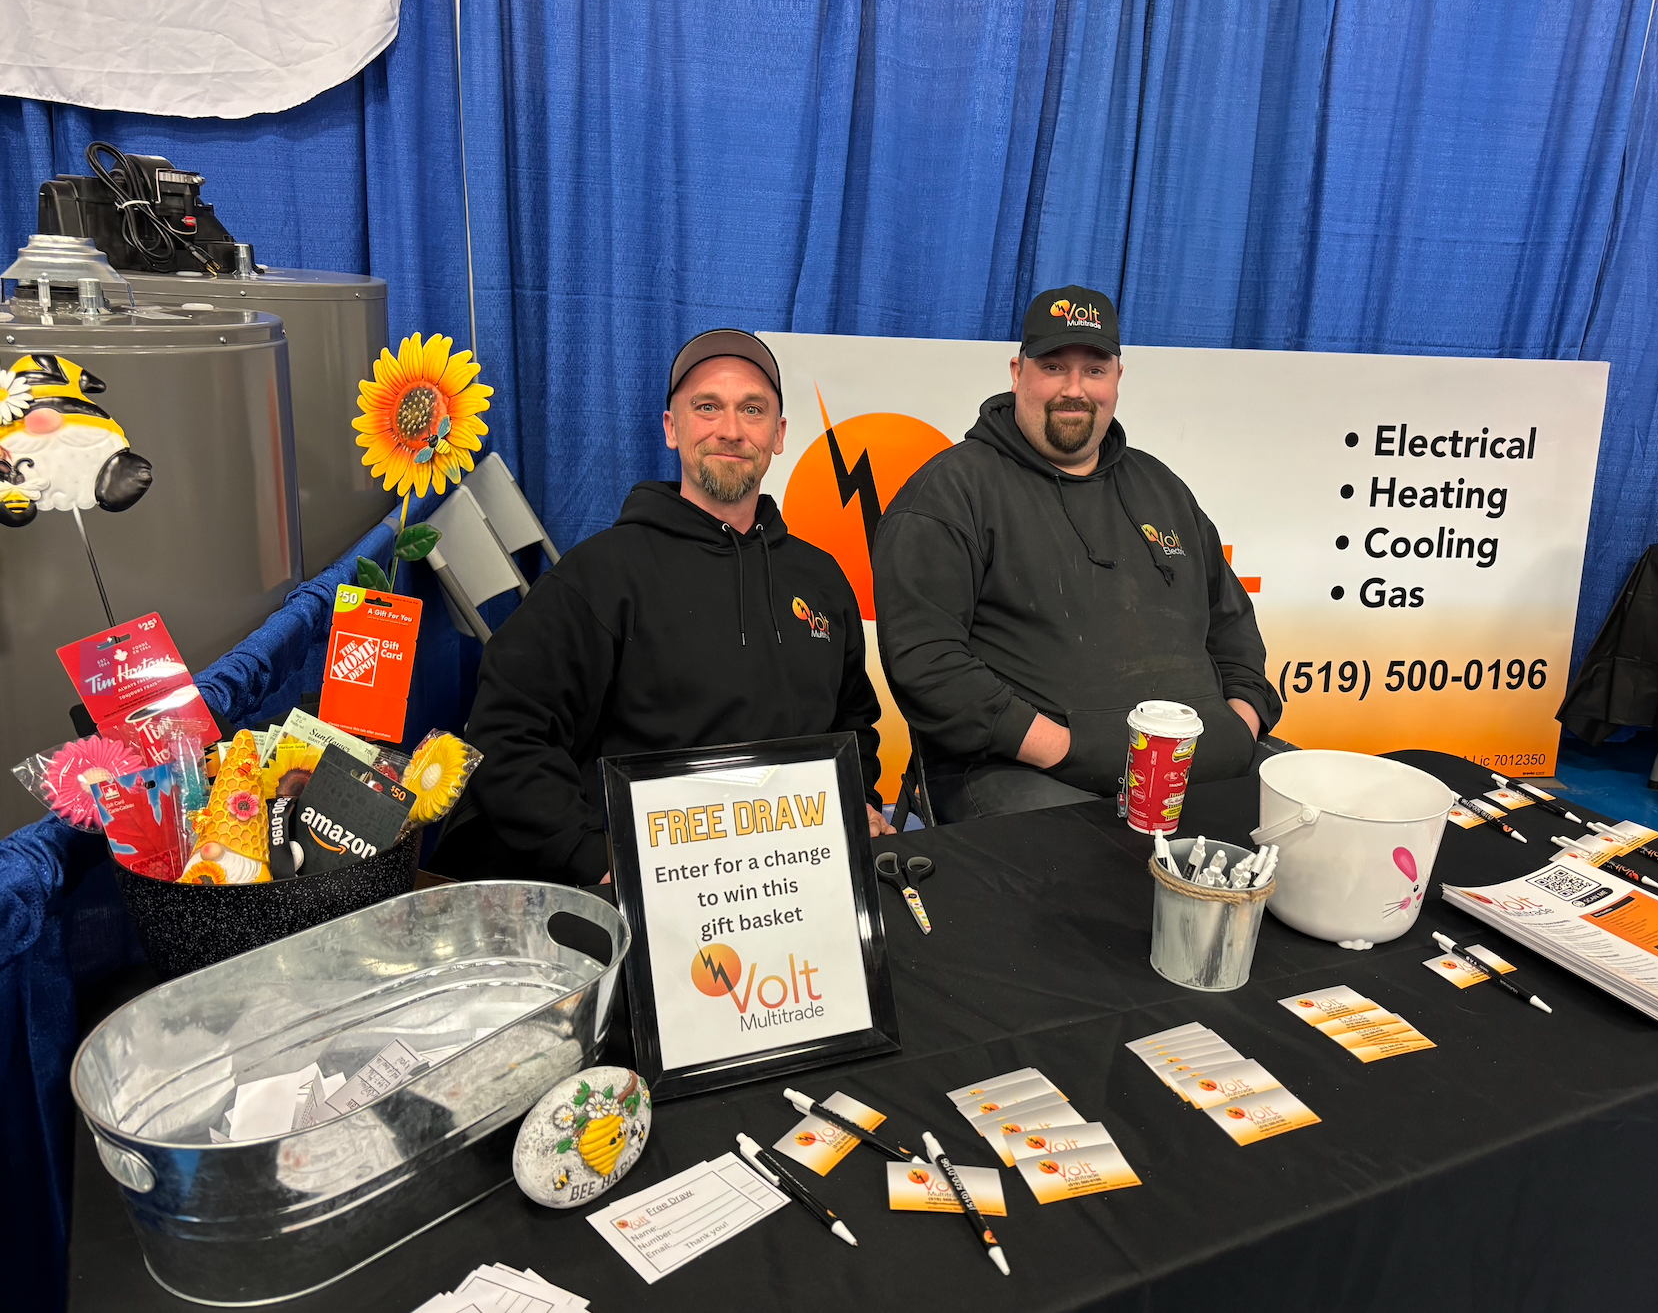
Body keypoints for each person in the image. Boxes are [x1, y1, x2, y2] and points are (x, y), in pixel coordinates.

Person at [432, 329, 890, 886]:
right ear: (672, 428)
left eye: (753, 409)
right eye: (707, 407)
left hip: (794, 877)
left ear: (779, 434)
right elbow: (505, 731)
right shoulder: (600, 576)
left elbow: (854, 720)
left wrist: (854, 797)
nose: (731, 429)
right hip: (660, 889)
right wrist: (593, 856)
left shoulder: (820, 579)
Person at [873, 285, 1283, 822]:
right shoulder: (951, 492)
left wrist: (1239, 724)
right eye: (1053, 367)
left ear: (1117, 378)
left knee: (1328, 818)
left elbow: (1232, 627)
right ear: (1018, 373)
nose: (1074, 389)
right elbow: (925, 662)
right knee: (1093, 875)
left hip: (1206, 767)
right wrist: (1066, 748)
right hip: (1026, 777)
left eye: (1094, 369)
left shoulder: (1161, 487)